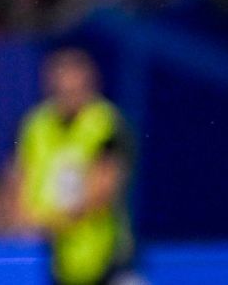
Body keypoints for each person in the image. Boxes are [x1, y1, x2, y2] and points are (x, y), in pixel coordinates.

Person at [10, 48, 135, 285]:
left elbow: (101, 192)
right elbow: (19, 181)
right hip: (45, 260)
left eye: (76, 89)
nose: (69, 95)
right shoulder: (35, 125)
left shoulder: (106, 123)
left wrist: (46, 221)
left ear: (91, 84)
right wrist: (25, 219)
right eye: (63, 89)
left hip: (104, 260)